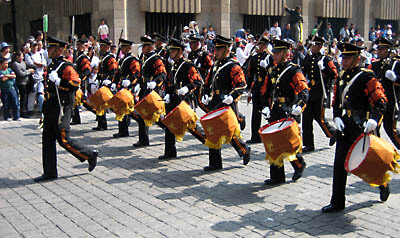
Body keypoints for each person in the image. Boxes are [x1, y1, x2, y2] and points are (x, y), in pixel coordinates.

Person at [322, 42, 389, 213]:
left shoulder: (367, 76)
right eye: (343, 57)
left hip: (363, 125)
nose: (344, 60)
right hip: (347, 124)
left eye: (348, 57)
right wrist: (336, 116)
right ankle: (337, 201)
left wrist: (374, 119)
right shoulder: (342, 76)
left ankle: (383, 183)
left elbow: (380, 101)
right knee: (339, 164)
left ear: (357, 59)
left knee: (371, 163)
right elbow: (337, 102)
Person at [33, 36, 98, 182]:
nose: (48, 50)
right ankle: (49, 172)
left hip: (62, 108)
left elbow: (75, 84)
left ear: (59, 50)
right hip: (51, 108)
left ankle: (89, 154)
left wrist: (59, 81)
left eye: (51, 48)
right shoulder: (52, 66)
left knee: (63, 139)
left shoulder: (66, 66)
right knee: (47, 140)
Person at [260, 39, 309, 185]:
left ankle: (299, 164)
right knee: (274, 143)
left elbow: (303, 90)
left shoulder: (294, 70)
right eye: (274, 52)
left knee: (288, 143)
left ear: (286, 53)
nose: (274, 55)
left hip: (288, 109)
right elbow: (265, 90)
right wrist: (265, 106)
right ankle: (277, 175)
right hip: (275, 109)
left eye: (278, 52)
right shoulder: (272, 70)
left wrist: (299, 105)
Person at [201, 35, 251, 171]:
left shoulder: (233, 66)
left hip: (227, 102)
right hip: (215, 101)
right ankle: (215, 162)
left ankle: (244, 149)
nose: (215, 52)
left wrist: (232, 96)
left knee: (229, 132)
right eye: (215, 49)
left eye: (219, 50)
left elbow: (241, 85)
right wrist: (205, 94)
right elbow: (207, 83)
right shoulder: (215, 66)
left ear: (227, 50)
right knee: (212, 132)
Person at [159, 38, 203, 159]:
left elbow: (197, 81)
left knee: (192, 127)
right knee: (169, 126)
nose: (171, 53)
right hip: (173, 99)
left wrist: (186, 88)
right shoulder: (173, 65)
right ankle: (170, 152)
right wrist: (167, 93)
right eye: (171, 50)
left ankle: (209, 142)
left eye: (173, 50)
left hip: (184, 100)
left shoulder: (187, 65)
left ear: (180, 52)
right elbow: (170, 82)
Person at [301, 36, 338, 152]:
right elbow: (302, 71)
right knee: (306, 117)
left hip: (320, 91)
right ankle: (308, 144)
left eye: (316, 45)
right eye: (312, 45)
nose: (313, 47)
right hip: (310, 90)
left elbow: (334, 74)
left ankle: (333, 133)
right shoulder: (308, 58)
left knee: (319, 117)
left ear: (320, 46)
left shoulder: (326, 59)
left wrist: (324, 70)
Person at [133, 35, 167, 148]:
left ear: (151, 47)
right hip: (144, 89)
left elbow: (162, 74)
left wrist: (155, 82)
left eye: (146, 46)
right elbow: (141, 74)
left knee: (156, 115)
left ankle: (167, 129)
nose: (143, 48)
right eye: (143, 45)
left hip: (153, 90)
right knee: (143, 115)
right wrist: (138, 83)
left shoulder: (156, 59)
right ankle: (143, 140)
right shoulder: (143, 58)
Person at [369, 37, 400, 149]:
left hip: (390, 101)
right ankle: (377, 151)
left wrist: (395, 78)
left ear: (388, 50)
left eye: (382, 49)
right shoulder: (374, 65)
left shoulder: (395, 64)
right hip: (376, 101)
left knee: (390, 129)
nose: (379, 51)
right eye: (378, 49)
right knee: (373, 127)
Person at [246, 36, 274, 144]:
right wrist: (249, 88)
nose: (259, 46)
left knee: (267, 113)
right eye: (258, 44)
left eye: (261, 44)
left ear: (265, 46)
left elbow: (274, 73)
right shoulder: (254, 58)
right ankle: (255, 136)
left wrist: (267, 67)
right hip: (257, 87)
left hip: (267, 88)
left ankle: (273, 135)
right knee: (256, 113)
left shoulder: (269, 57)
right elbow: (251, 74)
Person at [112, 38, 141, 138]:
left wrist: (130, 81)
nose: (122, 49)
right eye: (122, 47)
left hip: (128, 87)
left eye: (124, 47)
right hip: (121, 87)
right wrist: (115, 82)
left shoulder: (133, 60)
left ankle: (125, 130)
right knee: (121, 108)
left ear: (129, 48)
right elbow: (118, 73)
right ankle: (122, 130)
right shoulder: (122, 60)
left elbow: (137, 74)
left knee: (127, 109)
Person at [92, 38, 118, 131]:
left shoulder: (110, 58)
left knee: (112, 104)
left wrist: (109, 80)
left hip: (107, 83)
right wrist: (98, 79)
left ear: (107, 47)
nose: (101, 48)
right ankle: (101, 124)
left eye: (102, 46)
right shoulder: (103, 57)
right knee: (100, 103)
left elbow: (113, 71)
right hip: (102, 82)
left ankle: (124, 121)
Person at [71, 39, 92, 125]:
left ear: (84, 46)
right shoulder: (76, 56)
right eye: (77, 45)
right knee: (76, 100)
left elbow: (87, 71)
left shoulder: (83, 58)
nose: (78, 47)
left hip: (81, 82)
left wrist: (80, 78)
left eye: (80, 45)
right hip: (76, 80)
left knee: (83, 100)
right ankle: (76, 119)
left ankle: (97, 112)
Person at [11, 51, 35, 118]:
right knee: (23, 98)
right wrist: (29, 71)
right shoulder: (15, 64)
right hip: (21, 83)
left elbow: (25, 69)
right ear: (17, 57)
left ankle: (26, 110)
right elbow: (21, 74)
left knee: (26, 97)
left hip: (27, 82)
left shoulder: (23, 63)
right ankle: (23, 112)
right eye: (21, 56)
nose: (22, 57)